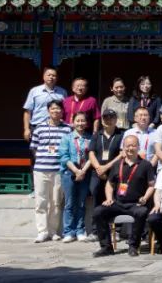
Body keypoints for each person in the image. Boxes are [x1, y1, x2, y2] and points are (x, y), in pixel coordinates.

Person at [91, 135, 155, 257]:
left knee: (141, 212)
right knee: (98, 212)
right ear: (123, 148)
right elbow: (109, 184)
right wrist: (109, 198)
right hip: (118, 203)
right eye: (127, 146)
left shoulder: (145, 165)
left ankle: (133, 246)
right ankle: (106, 247)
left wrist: (145, 198)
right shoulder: (117, 164)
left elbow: (151, 185)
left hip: (136, 204)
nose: (130, 148)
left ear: (138, 147)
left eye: (133, 145)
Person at [30, 100, 70, 242]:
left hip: (58, 171)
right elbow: (34, 148)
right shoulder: (39, 128)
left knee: (56, 202)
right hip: (41, 170)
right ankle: (42, 231)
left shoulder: (67, 129)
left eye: (58, 109)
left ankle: (53, 231)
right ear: (48, 111)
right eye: (53, 109)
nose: (55, 111)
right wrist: (43, 159)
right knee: (41, 201)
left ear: (62, 111)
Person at [58, 110, 93, 242]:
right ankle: (68, 231)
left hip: (85, 173)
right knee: (69, 203)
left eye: (83, 120)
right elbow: (63, 157)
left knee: (82, 203)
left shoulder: (90, 138)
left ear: (87, 123)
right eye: (77, 120)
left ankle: (80, 230)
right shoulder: (67, 138)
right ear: (73, 123)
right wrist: (76, 171)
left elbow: (92, 156)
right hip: (69, 173)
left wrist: (83, 171)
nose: (80, 123)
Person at [23, 68, 67, 152]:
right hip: (37, 126)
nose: (51, 77)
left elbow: (65, 110)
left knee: (52, 153)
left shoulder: (62, 92)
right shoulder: (34, 91)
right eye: (49, 75)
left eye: (53, 75)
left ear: (57, 78)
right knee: (36, 152)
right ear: (43, 77)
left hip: (56, 127)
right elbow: (27, 111)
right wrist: (26, 129)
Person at [89, 108, 124, 206]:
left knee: (114, 200)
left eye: (111, 118)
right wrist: (98, 168)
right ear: (102, 120)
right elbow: (91, 153)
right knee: (95, 193)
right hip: (97, 173)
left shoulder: (121, 134)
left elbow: (122, 154)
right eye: (105, 118)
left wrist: (106, 167)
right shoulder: (96, 135)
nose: (108, 120)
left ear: (116, 119)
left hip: (114, 172)